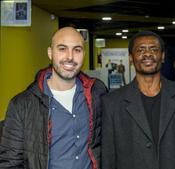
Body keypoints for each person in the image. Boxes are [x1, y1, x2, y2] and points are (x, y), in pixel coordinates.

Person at [0, 27, 107, 169]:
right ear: (50, 53)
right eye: (62, 49)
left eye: (77, 50)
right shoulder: (22, 104)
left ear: (84, 54)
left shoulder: (97, 93)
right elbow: (10, 161)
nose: (70, 57)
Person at [101, 31, 175, 169]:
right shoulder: (112, 103)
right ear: (131, 58)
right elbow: (108, 159)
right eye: (140, 50)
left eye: (154, 49)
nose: (148, 54)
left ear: (162, 56)